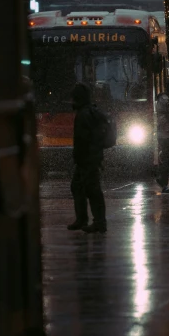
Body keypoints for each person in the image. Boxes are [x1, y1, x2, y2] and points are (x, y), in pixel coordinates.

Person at [67, 82, 107, 234]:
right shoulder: (89, 112)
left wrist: (83, 158)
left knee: (92, 190)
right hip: (89, 159)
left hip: (87, 160)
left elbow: (84, 140)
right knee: (79, 187)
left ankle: (98, 223)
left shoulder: (84, 115)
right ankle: (83, 219)